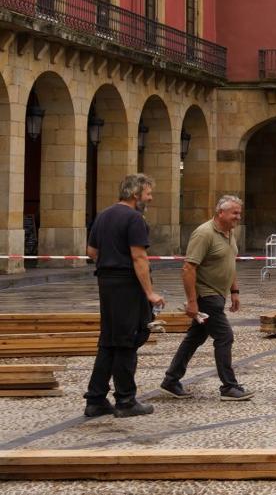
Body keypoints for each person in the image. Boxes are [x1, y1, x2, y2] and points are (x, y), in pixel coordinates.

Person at [84, 174, 166, 418]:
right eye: (148, 193)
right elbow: (139, 257)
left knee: (109, 339)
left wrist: (110, 262)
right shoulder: (134, 218)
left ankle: (96, 398)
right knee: (127, 340)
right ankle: (126, 400)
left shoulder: (104, 215)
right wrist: (149, 292)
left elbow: (91, 251)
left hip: (106, 282)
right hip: (127, 285)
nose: (150, 198)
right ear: (135, 194)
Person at [160, 195, 254, 401]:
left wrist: (235, 291)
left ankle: (171, 380)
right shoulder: (204, 234)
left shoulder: (230, 233)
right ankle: (229, 386)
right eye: (234, 213)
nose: (238, 217)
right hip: (206, 295)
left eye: (239, 213)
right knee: (224, 336)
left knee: (196, 336)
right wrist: (192, 301)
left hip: (219, 294)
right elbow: (188, 268)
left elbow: (229, 263)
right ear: (221, 213)